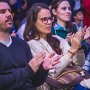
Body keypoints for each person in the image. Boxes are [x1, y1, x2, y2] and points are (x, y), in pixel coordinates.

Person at [23, 2, 90, 90]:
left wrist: (78, 46)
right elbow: (51, 73)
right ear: (33, 22)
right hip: (61, 86)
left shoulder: (57, 38)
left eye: (50, 19)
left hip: (76, 79)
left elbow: (79, 65)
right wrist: (71, 52)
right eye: (44, 19)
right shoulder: (31, 44)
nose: (49, 22)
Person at [0, 1, 60, 90]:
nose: (9, 14)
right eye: (2, 12)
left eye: (9, 10)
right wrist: (28, 70)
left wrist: (43, 69)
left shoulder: (22, 44)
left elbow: (34, 81)